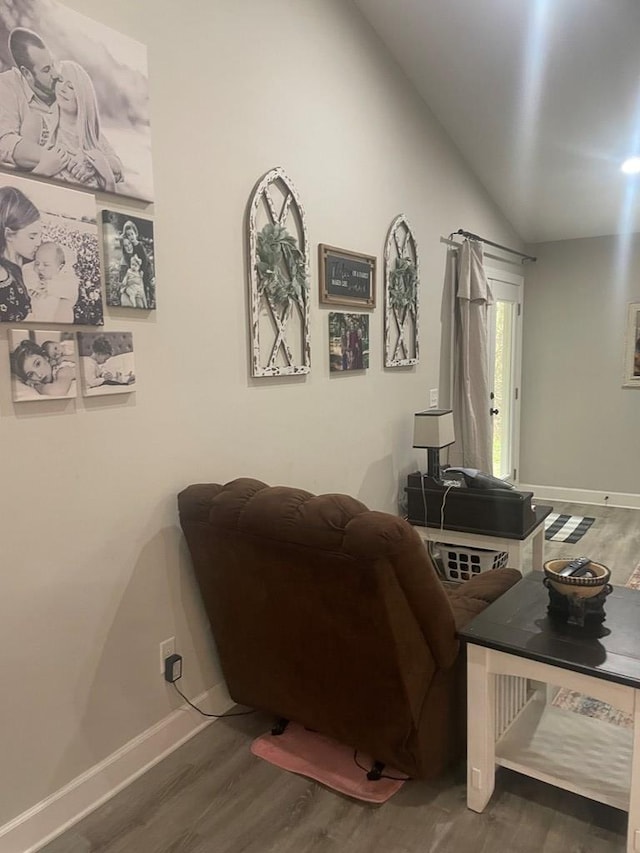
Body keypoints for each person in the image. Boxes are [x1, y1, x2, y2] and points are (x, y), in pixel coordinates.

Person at [0, 28, 93, 182]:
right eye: (46, 70)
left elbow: (96, 138)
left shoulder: (60, 89)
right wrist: (68, 162)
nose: (55, 75)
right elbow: (6, 142)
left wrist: (91, 164)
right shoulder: (6, 86)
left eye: (52, 65)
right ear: (27, 74)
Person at [42, 60, 123, 192]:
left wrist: (96, 161)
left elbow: (117, 167)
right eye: (60, 81)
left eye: (71, 87)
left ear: (83, 97)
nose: (62, 89)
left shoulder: (94, 136)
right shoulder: (43, 124)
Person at [0, 185, 41, 322]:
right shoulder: (3, 275)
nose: (38, 242)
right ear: (9, 235)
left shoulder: (29, 265)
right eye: (32, 236)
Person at [23, 241, 77, 323]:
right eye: (37, 263)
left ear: (60, 267)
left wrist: (50, 286)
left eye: (46, 265)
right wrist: (33, 288)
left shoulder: (65, 278)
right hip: (36, 317)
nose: (40, 267)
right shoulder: (35, 275)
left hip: (58, 318)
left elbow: (72, 292)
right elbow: (26, 269)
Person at [10, 338, 75, 397]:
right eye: (31, 374)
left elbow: (56, 391)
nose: (39, 375)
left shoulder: (63, 368)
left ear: (45, 357)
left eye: (38, 364)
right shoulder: (33, 380)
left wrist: (37, 386)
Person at [119, 220, 153, 306]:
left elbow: (145, 260)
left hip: (146, 268)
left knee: (146, 284)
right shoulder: (131, 245)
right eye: (128, 235)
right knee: (139, 285)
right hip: (138, 267)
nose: (131, 237)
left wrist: (142, 271)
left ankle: (149, 300)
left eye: (132, 234)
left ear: (136, 233)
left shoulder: (139, 245)